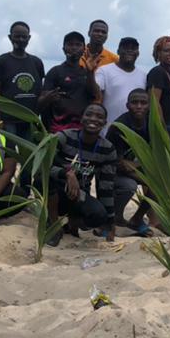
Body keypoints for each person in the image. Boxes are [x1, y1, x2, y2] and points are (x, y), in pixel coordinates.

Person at [47, 103, 117, 244]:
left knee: (99, 215)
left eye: (99, 117)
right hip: (55, 190)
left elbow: (106, 187)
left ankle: (73, 222)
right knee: (46, 180)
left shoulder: (107, 149)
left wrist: (110, 221)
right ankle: (53, 224)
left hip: (78, 192)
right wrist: (66, 173)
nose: (93, 119)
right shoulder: (63, 137)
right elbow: (43, 166)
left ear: (105, 123)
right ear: (81, 118)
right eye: (89, 114)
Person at [106, 88, 157, 237]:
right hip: (112, 170)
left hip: (136, 167)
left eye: (143, 103)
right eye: (135, 103)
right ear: (127, 105)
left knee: (161, 184)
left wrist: (137, 165)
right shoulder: (119, 126)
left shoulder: (153, 124)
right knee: (130, 185)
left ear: (149, 105)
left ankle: (137, 218)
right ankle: (116, 217)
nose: (139, 106)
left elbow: (158, 154)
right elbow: (118, 162)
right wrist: (138, 165)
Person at [0, 21, 45, 141]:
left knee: (28, 156)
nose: (20, 39)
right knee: (10, 156)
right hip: (8, 120)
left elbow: (40, 90)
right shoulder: (2, 61)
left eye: (24, 37)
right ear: (10, 37)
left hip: (30, 120)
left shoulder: (37, 62)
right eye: (17, 36)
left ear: (29, 38)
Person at [39, 31, 96, 133]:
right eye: (70, 44)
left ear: (84, 49)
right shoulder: (55, 72)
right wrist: (49, 97)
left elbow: (94, 94)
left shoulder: (87, 72)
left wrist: (90, 72)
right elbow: (42, 101)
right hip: (58, 129)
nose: (74, 48)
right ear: (63, 49)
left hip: (82, 129)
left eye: (78, 45)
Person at [94, 37, 147, 128]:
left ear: (138, 53)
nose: (129, 51)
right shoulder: (104, 71)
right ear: (118, 51)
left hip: (136, 134)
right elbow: (95, 93)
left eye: (133, 48)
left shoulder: (144, 75)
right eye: (125, 48)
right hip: (109, 130)